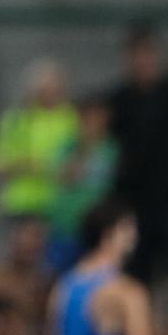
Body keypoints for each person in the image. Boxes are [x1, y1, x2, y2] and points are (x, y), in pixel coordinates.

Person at [107, 25, 168, 307]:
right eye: (138, 54)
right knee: (137, 276)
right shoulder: (120, 99)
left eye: (150, 53)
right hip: (135, 203)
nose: (145, 61)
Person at [48, 200, 154, 335]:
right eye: (127, 228)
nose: (135, 235)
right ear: (107, 235)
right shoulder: (127, 292)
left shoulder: (63, 286)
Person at [0, 58, 78, 220]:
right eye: (45, 89)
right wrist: (45, 167)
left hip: (58, 203)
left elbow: (74, 166)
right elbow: (0, 164)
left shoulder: (72, 119)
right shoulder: (17, 119)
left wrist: (35, 165)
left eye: (55, 88)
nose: (51, 93)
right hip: (20, 203)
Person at [48, 96, 120, 273]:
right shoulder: (68, 147)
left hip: (97, 229)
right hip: (67, 225)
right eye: (87, 118)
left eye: (97, 117)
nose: (92, 123)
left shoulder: (112, 149)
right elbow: (67, 176)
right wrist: (84, 146)